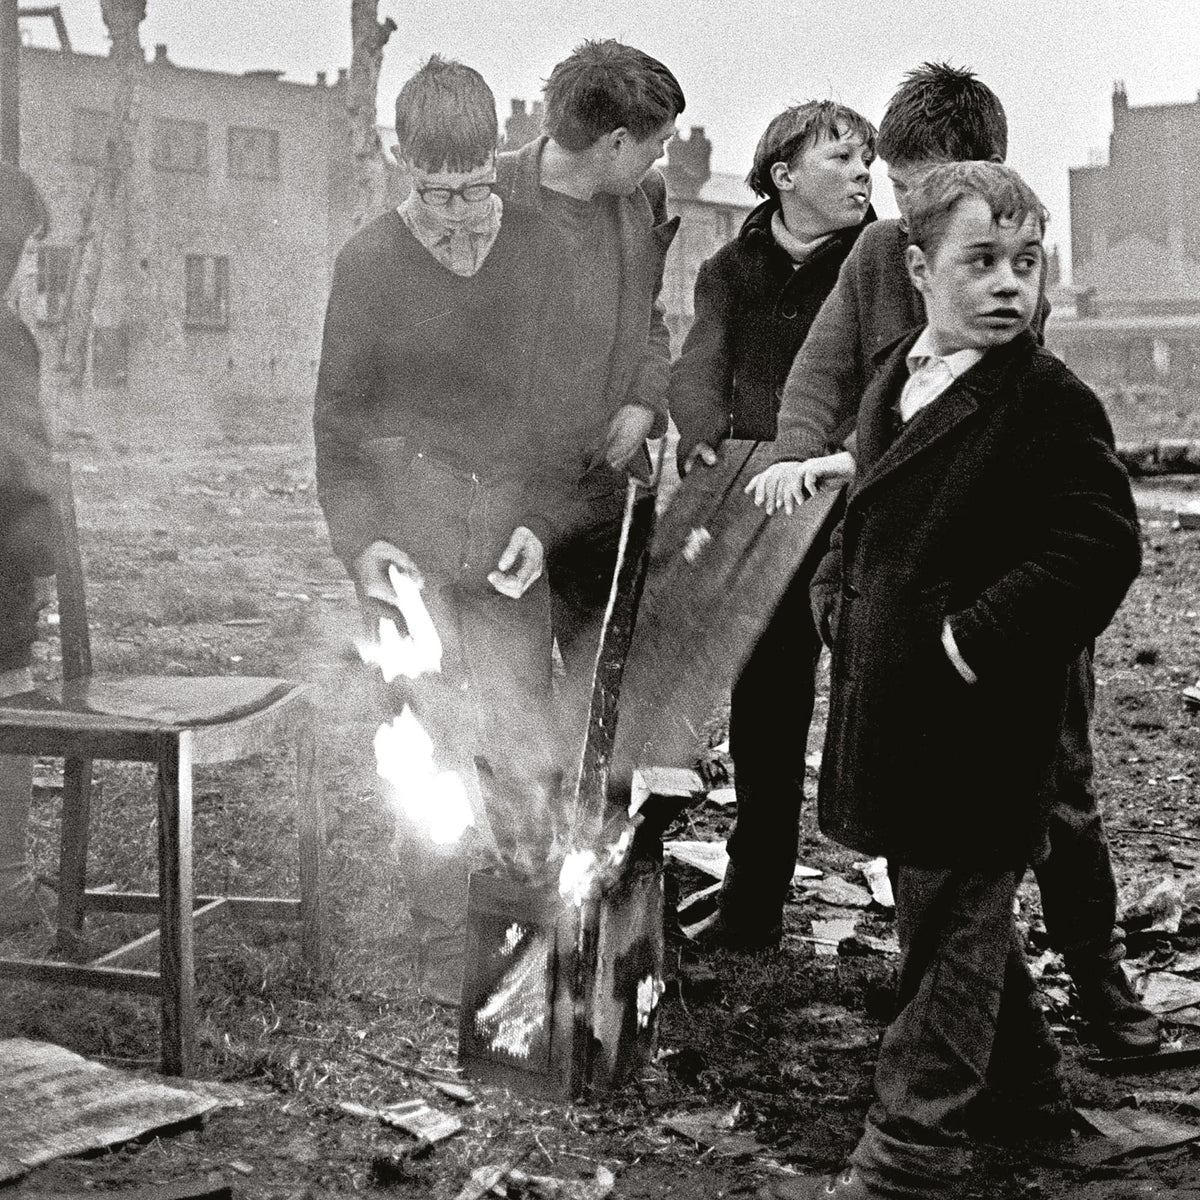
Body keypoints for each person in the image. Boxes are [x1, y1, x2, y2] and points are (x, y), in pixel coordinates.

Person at [747, 62, 1160, 1055]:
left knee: (1055, 796)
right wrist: (810, 480)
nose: (911, 214)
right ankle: (961, 1004)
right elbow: (821, 380)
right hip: (904, 593)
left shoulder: (1000, 274)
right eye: (899, 192)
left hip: (1008, 609)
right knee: (916, 801)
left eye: (933, 190)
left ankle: (1100, 991)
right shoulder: (880, 256)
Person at [313, 56, 568, 1005]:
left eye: (473, 190)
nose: (458, 216)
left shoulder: (541, 256)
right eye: (435, 193)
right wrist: (363, 544)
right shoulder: (369, 264)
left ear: (496, 167)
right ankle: (433, 943)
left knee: (515, 734)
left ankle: (522, 935)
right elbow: (337, 431)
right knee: (422, 740)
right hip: (406, 555)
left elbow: (564, 420)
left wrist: (543, 523)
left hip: (509, 550)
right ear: (399, 164)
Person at [665, 100, 876, 949]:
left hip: (858, 506)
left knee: (878, 706)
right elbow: (698, 369)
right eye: (842, 159)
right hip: (761, 513)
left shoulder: (882, 261)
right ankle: (754, 902)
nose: (865, 173)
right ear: (785, 177)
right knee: (768, 707)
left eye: (868, 159)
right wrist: (703, 435)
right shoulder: (730, 268)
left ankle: (931, 923)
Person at [494, 39, 684, 722]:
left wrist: (642, 401)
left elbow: (653, 324)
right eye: (656, 143)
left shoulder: (641, 197)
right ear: (614, 141)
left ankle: (598, 833)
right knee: (510, 706)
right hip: (504, 507)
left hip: (605, 499)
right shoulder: (484, 205)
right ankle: (513, 833)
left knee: (604, 699)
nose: (661, 158)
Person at [0, 164, 57, 935]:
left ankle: (7, 879)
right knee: (9, 686)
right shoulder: (7, 339)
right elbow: (24, 466)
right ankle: (7, 882)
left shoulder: (11, 336)